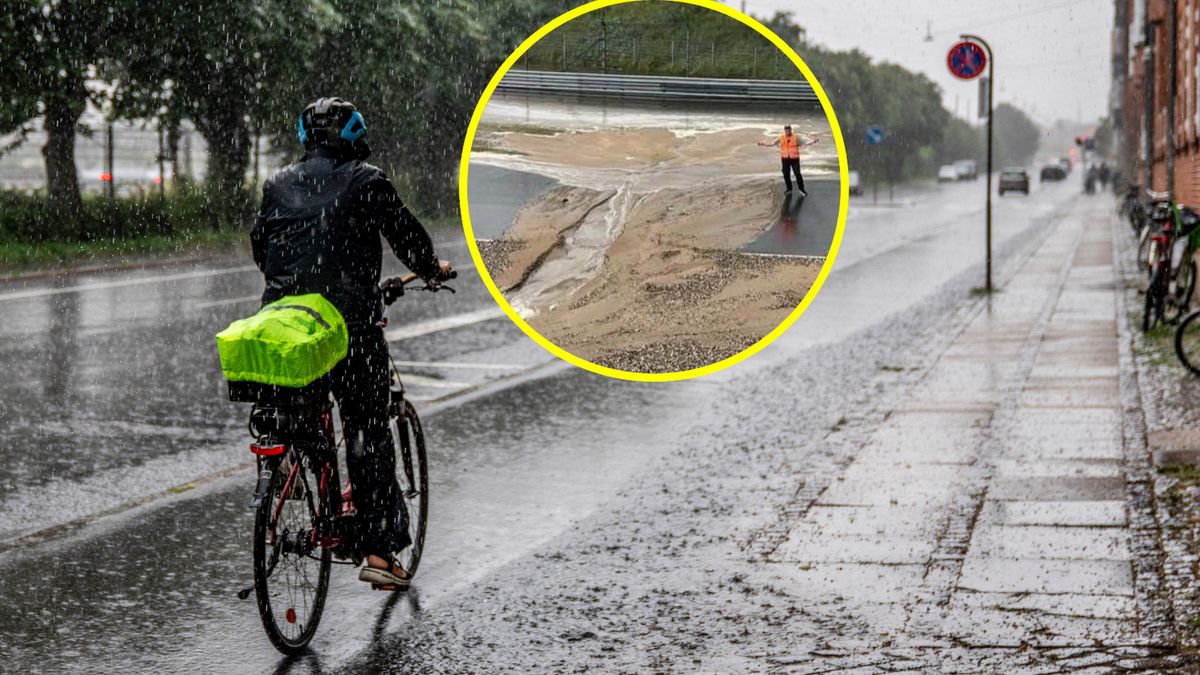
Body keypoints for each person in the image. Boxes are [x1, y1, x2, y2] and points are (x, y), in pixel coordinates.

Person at [251, 97, 452, 589]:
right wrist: (430, 269)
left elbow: (263, 246)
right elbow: (407, 237)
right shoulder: (367, 180)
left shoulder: (277, 184)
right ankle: (381, 554)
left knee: (298, 413)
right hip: (349, 328)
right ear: (355, 138)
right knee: (366, 428)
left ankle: (301, 474)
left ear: (306, 139)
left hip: (286, 324)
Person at [758, 125, 818, 195]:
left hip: (794, 158)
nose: (787, 131)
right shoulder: (781, 137)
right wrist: (763, 144)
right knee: (786, 174)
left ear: (791, 130)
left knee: (797, 173)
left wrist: (813, 141)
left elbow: (805, 142)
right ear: (784, 130)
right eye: (786, 130)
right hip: (785, 159)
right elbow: (772, 143)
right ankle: (789, 189)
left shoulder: (796, 137)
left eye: (788, 130)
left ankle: (801, 189)